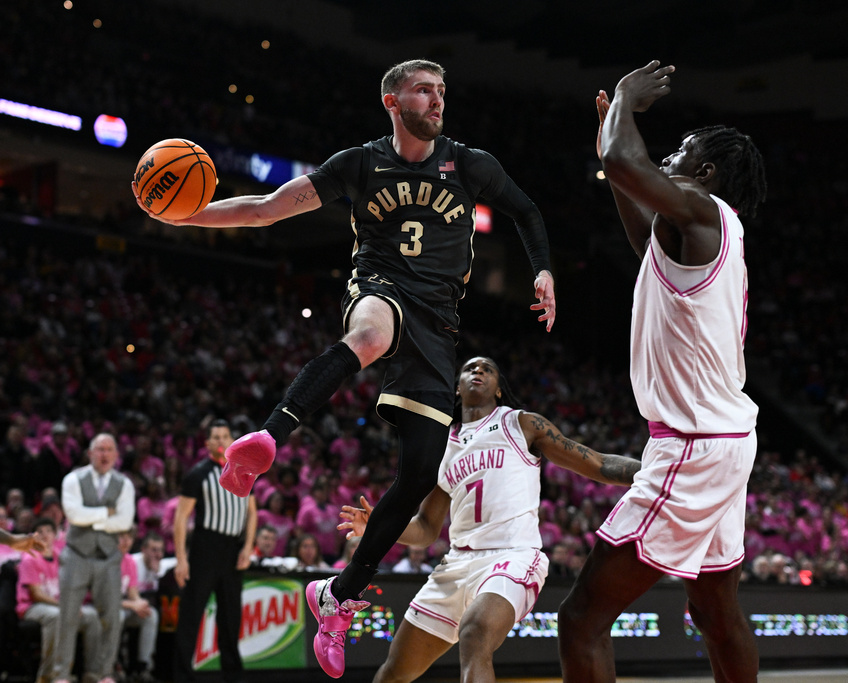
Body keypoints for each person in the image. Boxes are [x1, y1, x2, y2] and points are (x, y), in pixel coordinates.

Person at [134, 58, 557, 678]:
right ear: (392, 100)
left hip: (439, 326)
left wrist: (543, 268)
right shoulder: (358, 163)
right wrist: (186, 214)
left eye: (442, 91)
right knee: (367, 332)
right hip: (380, 287)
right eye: (424, 90)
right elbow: (266, 209)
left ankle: (338, 597)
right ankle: (268, 438)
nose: (437, 100)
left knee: (418, 473)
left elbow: (527, 211)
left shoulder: (470, 163)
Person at [557, 61, 767, 683]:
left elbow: (628, 164)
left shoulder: (702, 210)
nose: (668, 157)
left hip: (693, 446)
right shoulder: (697, 231)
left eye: (681, 152)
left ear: (704, 173)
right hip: (726, 439)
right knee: (715, 609)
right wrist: (609, 139)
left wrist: (625, 98)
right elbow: (637, 223)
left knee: (582, 619)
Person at [338, 356, 640, 683]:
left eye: (487, 369)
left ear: (498, 390)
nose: (478, 371)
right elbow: (426, 529)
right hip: (456, 564)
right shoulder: (442, 447)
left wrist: (654, 473)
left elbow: (595, 462)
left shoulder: (521, 423)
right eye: (469, 368)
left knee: (475, 632)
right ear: (457, 388)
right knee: (393, 672)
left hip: (511, 555)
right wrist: (379, 527)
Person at [172, 420, 257, 683]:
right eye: (215, 436)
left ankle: (233, 674)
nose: (220, 440)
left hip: (233, 550)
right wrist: (181, 559)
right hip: (204, 548)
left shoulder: (245, 471)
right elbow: (180, 518)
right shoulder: (197, 474)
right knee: (192, 613)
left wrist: (247, 547)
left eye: (225, 435)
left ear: (232, 439)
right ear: (207, 443)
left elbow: (252, 513)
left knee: (231, 616)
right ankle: (181, 675)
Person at [55, 433, 136, 683]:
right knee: (67, 617)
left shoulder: (125, 484)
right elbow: (74, 516)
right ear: (90, 454)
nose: (104, 454)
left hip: (108, 557)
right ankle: (61, 675)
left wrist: (93, 517)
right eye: (100, 449)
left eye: (109, 450)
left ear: (116, 455)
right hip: (76, 554)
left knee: (112, 617)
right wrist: (107, 513)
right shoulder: (72, 479)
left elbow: (124, 522)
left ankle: (103, 674)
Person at [16, 517, 102, 683]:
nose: (44, 535)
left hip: (60, 606)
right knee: (56, 616)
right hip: (31, 607)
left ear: (56, 535)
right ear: (33, 536)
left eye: (48, 531)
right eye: (39, 532)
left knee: (92, 616)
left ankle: (92, 674)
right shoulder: (29, 558)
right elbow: (36, 594)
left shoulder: (63, 558)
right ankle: (48, 676)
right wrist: (66, 607)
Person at [117, 530, 158, 681]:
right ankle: (114, 664)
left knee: (150, 614)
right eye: (122, 537)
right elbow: (106, 600)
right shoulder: (106, 560)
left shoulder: (129, 561)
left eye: (129, 537)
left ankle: (143, 666)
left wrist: (139, 603)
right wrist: (132, 605)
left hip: (124, 605)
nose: (126, 541)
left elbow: (132, 591)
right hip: (105, 607)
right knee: (117, 616)